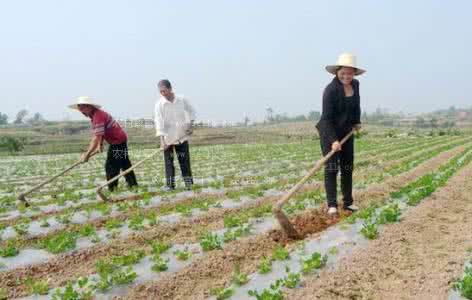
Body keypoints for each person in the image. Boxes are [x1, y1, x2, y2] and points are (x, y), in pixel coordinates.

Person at [315, 53, 365, 215]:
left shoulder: (355, 85)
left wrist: (356, 122)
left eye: (349, 73)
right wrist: (333, 140)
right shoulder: (330, 90)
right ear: (337, 71)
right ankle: (332, 205)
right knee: (331, 168)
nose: (346, 76)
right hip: (329, 132)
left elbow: (356, 105)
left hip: (346, 132)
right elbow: (326, 119)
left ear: (354, 73)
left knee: (347, 168)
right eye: (343, 72)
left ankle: (348, 202)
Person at [69, 96, 138, 191]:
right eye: (80, 109)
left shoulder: (98, 116)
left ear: (89, 106)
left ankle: (112, 189)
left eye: (83, 108)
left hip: (117, 142)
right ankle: (133, 185)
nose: (82, 111)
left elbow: (95, 138)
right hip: (120, 139)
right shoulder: (95, 115)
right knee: (124, 163)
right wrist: (100, 145)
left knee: (110, 166)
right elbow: (101, 133)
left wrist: (86, 154)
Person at [154, 79, 196, 191]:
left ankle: (189, 184)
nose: (163, 94)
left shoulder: (182, 99)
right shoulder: (159, 105)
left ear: (170, 89)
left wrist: (190, 125)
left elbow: (192, 111)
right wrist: (162, 142)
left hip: (181, 136)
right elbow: (159, 123)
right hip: (168, 139)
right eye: (161, 92)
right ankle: (170, 186)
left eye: (164, 91)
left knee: (184, 162)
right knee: (169, 163)